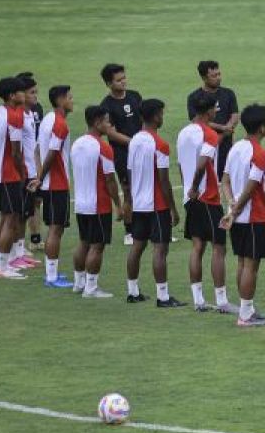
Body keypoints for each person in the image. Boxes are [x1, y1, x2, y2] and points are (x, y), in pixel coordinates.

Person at [177, 91, 234, 314]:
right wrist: (194, 187)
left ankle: (199, 300)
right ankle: (222, 301)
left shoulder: (183, 133)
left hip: (190, 199)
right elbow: (202, 165)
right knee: (219, 248)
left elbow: (181, 165)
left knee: (197, 246)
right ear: (209, 111)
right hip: (207, 197)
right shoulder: (208, 133)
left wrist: (187, 190)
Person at [124, 99, 184, 308]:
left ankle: (132, 291)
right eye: (161, 113)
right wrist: (173, 210)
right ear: (156, 116)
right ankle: (163, 296)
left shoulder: (134, 141)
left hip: (139, 203)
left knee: (137, 246)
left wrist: (130, 200)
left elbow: (129, 172)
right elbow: (164, 181)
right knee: (160, 250)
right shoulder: (160, 145)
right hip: (157, 205)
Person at [219, 104, 265, 327]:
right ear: (261, 128)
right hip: (254, 216)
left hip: (239, 216)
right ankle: (244, 316)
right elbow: (252, 186)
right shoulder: (259, 154)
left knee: (242, 262)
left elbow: (225, 180)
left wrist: (231, 204)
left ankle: (247, 309)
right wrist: (238, 207)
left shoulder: (236, 148)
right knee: (251, 265)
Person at [69, 105, 127, 299]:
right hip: (98, 204)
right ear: (97, 122)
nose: (110, 125)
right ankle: (91, 288)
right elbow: (110, 179)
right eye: (107, 121)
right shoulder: (103, 147)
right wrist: (118, 205)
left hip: (80, 203)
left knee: (84, 242)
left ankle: (78, 283)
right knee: (97, 245)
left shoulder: (77, 143)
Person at [0, 77, 29, 279]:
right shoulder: (14, 117)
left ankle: (0, 263)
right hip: (9, 175)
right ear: (12, 96)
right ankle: (2, 267)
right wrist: (23, 173)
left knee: (4, 218)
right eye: (21, 92)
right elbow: (17, 153)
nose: (24, 95)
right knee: (11, 220)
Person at [99, 63, 144, 245]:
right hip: (122, 153)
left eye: (124, 77)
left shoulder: (135, 96)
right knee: (128, 191)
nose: (123, 82)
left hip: (141, 150)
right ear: (109, 83)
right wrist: (133, 142)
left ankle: (144, 228)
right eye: (119, 80)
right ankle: (129, 232)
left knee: (145, 187)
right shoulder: (106, 105)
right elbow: (110, 132)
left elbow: (143, 120)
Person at [36, 84, 75, 288]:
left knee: (54, 227)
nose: (72, 100)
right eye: (69, 97)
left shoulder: (47, 120)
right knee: (56, 229)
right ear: (60, 100)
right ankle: (51, 277)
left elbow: (37, 149)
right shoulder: (60, 124)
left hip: (51, 183)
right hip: (56, 184)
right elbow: (52, 153)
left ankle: (52, 274)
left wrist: (39, 176)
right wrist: (41, 178)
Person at [186, 60, 239, 178]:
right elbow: (196, 121)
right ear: (204, 77)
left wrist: (229, 126)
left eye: (219, 74)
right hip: (205, 146)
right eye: (214, 76)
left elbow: (235, 114)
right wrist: (223, 128)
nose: (218, 78)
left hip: (226, 146)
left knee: (226, 180)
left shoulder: (228, 93)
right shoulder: (194, 97)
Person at [17, 72, 44, 260]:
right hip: (24, 167)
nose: (36, 96)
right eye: (32, 92)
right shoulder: (16, 115)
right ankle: (15, 248)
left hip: (36, 165)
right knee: (20, 209)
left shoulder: (37, 109)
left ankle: (34, 239)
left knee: (35, 202)